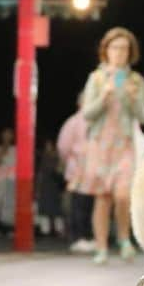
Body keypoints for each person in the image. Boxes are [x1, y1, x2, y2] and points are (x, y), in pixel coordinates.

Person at [78, 27, 144, 264]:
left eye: (124, 49)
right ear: (106, 50)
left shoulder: (136, 80)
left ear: (130, 53)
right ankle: (101, 247)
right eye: (115, 48)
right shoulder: (96, 78)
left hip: (125, 144)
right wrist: (103, 97)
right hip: (101, 144)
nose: (119, 53)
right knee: (102, 197)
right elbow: (87, 113)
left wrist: (132, 98)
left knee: (122, 195)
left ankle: (123, 238)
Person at [57, 96, 95, 254]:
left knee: (88, 205)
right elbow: (63, 147)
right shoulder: (73, 122)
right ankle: (77, 238)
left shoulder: (97, 121)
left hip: (94, 169)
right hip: (78, 168)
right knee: (78, 205)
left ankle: (86, 237)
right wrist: (71, 162)